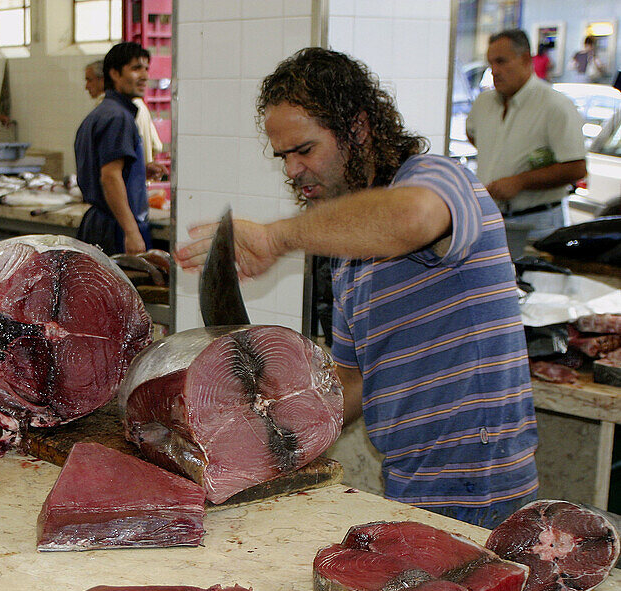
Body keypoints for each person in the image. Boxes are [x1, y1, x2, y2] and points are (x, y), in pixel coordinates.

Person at [176, 48, 538, 529]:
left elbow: (410, 217)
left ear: (358, 129)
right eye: (283, 156)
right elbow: (354, 380)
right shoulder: (350, 252)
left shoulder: (438, 179)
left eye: (304, 150)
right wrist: (268, 442)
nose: (292, 170)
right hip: (410, 483)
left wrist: (277, 237)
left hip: (480, 487)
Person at [467, 29, 586, 256]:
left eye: (501, 62)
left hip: (537, 222)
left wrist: (520, 181)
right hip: (491, 220)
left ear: (524, 59)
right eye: (491, 63)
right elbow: (473, 134)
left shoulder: (555, 105)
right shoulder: (484, 103)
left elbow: (576, 168)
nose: (494, 71)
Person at [74, 42, 153, 255]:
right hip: (115, 227)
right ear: (115, 74)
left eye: (146, 68)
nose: (145, 75)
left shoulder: (102, 113)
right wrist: (131, 231)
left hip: (100, 223)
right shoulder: (118, 118)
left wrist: (139, 170)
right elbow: (109, 176)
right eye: (136, 68)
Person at [84, 59, 165, 180]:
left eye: (89, 80)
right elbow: (157, 146)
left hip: (122, 186)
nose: (86, 86)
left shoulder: (105, 108)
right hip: (140, 183)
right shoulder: (139, 104)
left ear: (103, 79)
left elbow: (107, 160)